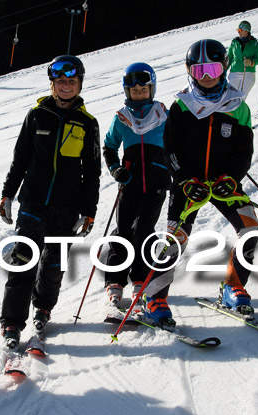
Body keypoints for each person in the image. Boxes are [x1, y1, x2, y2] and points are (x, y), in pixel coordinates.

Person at [143, 39, 258, 328]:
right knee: (174, 239)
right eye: (199, 70)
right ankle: (154, 298)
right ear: (189, 71)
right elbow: (170, 150)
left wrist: (231, 178)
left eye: (214, 68)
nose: (206, 76)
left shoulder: (237, 106)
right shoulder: (182, 106)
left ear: (224, 69)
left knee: (251, 229)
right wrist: (183, 179)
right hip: (189, 185)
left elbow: (244, 151)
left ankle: (232, 287)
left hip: (222, 184)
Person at [0, 54, 101, 348]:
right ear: (52, 84)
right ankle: (12, 324)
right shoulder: (36, 115)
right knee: (23, 260)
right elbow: (20, 160)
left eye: (72, 81)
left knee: (54, 264)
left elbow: (92, 172)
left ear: (79, 84)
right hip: (33, 203)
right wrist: (8, 193)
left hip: (66, 208)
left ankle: (43, 308)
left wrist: (88, 210)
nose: (66, 86)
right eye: (61, 81)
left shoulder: (87, 123)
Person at [102, 62, 171, 313]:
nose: (139, 94)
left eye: (144, 90)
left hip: (156, 183)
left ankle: (140, 280)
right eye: (134, 91)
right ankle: (115, 282)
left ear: (152, 89)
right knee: (123, 230)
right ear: (127, 92)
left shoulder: (163, 114)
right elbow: (109, 147)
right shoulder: (122, 118)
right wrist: (116, 169)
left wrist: (170, 169)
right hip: (129, 182)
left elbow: (177, 144)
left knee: (144, 229)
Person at [227, 21, 258, 97]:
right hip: (235, 72)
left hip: (248, 73)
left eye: (240, 30)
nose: (238, 32)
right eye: (238, 31)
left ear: (246, 31)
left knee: (242, 97)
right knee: (231, 97)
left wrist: (251, 62)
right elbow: (229, 57)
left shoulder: (255, 44)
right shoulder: (234, 43)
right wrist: (223, 70)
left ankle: (241, 109)